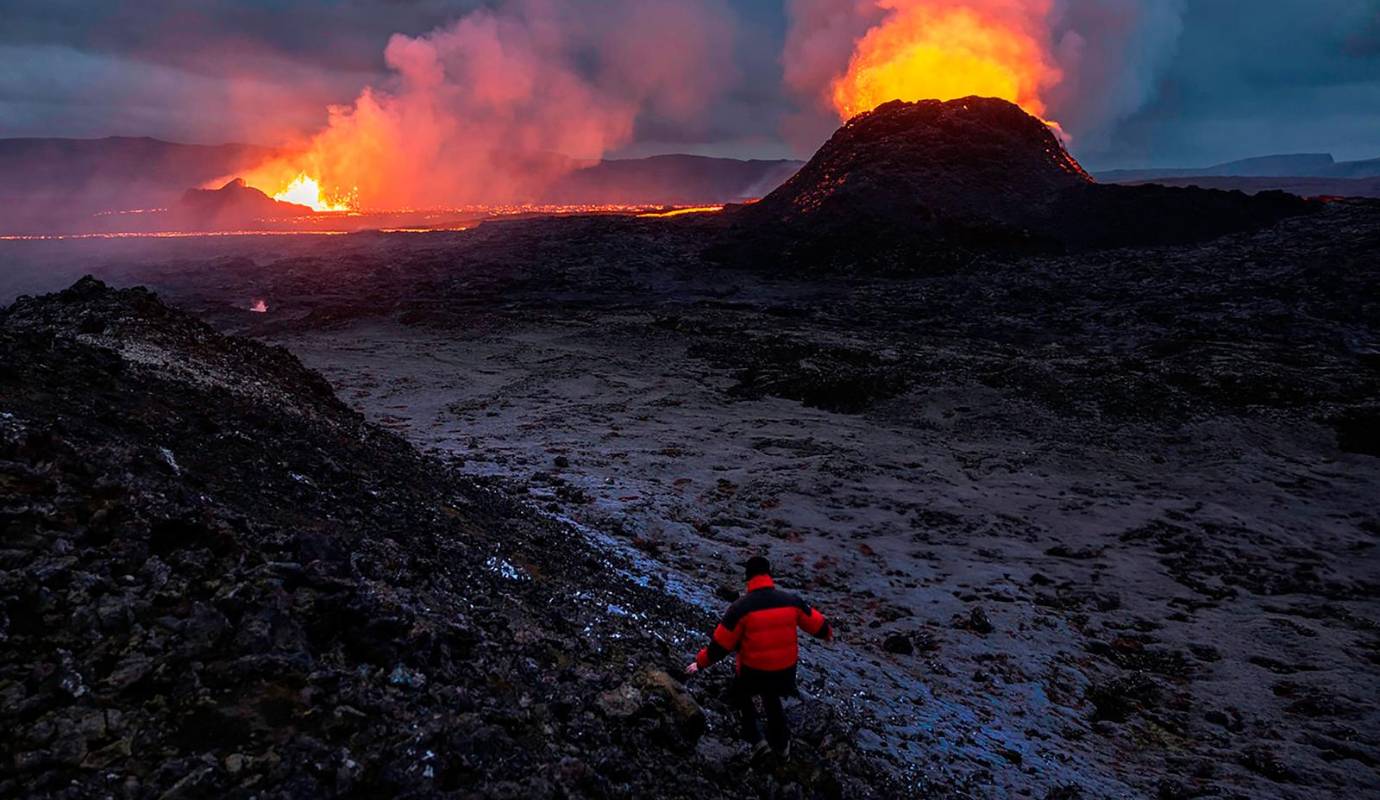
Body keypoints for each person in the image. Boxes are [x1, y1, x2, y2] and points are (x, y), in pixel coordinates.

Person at [684, 556, 832, 760]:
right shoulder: (791, 601)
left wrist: (699, 664)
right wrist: (827, 634)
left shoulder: (740, 608)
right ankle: (782, 746)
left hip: (754, 672)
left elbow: (719, 646)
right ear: (769, 575)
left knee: (740, 694)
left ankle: (757, 740)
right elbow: (820, 626)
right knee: (771, 696)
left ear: (748, 578)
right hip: (785, 672)